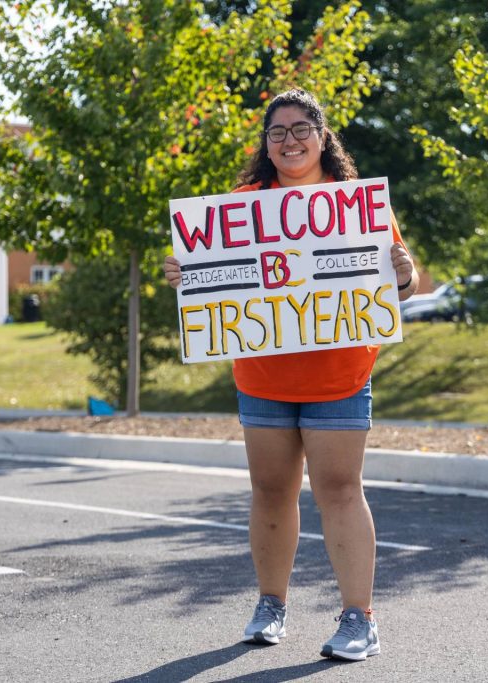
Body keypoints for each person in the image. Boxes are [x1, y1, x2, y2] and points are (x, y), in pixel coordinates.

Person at [163, 88, 419, 661]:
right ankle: (271, 605)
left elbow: (401, 286)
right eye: (277, 132)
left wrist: (404, 274)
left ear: (323, 135)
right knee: (270, 492)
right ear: (267, 144)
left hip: (339, 376)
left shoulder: (356, 205)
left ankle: (359, 619)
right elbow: (216, 276)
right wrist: (190, 274)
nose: (290, 140)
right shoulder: (239, 205)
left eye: (301, 128)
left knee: (339, 491)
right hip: (263, 377)